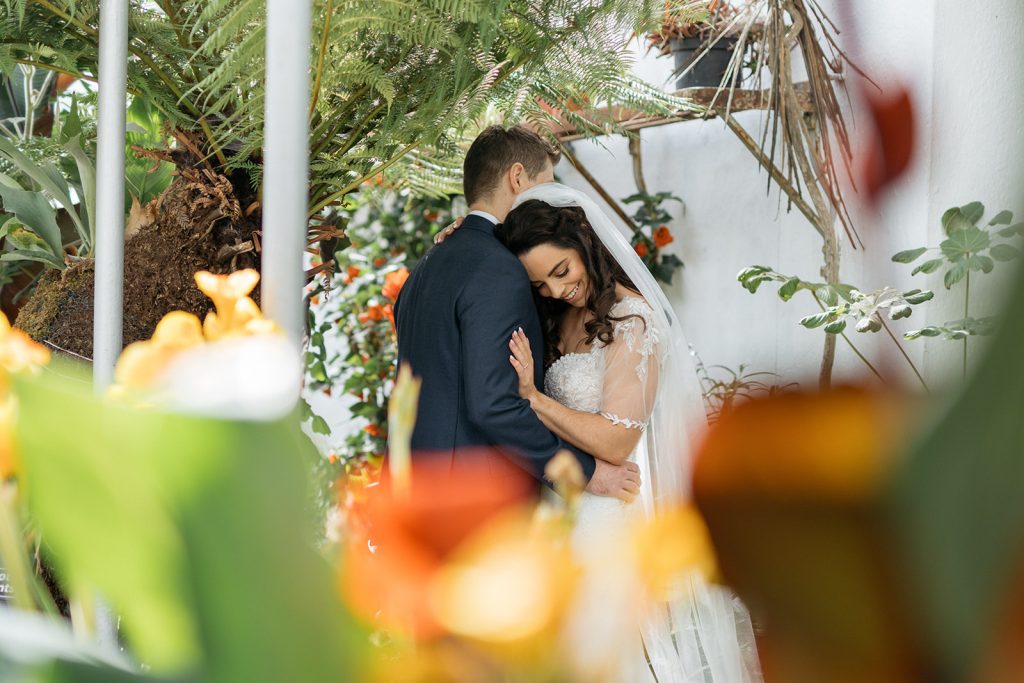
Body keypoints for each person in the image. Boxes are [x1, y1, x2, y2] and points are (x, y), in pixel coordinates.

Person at [493, 184, 763, 682]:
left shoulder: (633, 320)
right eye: (541, 284)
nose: (556, 290)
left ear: (585, 247)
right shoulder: (561, 316)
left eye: (562, 271)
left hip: (605, 518)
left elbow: (618, 442)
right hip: (561, 505)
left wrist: (535, 397)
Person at [392, 125, 640, 501]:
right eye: (547, 186)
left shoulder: (426, 266)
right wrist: (584, 474)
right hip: (477, 500)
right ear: (518, 177)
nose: (552, 202)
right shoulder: (497, 268)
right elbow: (495, 403)